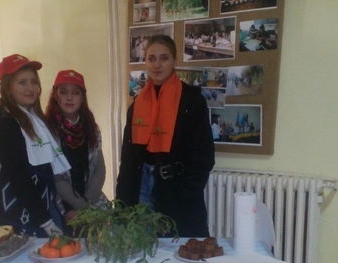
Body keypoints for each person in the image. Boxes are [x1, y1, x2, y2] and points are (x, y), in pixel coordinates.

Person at [116, 35, 215, 237]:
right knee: (142, 244)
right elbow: (128, 158)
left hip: (177, 190)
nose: (157, 65)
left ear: (174, 61)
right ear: (145, 62)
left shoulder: (192, 101)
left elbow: (204, 154)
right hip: (141, 186)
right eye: (151, 58)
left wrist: (189, 190)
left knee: (178, 246)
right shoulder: (137, 104)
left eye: (164, 58)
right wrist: (121, 201)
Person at [0, 54, 70, 237]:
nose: (31, 88)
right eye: (22, 82)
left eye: (33, 81)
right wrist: (46, 221)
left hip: (42, 210)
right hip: (16, 218)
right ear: (7, 87)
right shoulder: (3, 123)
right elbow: (18, 176)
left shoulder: (34, 119)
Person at [45, 69, 107, 220]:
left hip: (91, 202)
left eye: (76, 93)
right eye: (63, 92)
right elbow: (56, 177)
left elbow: (99, 170)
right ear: (55, 96)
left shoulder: (91, 128)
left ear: (82, 97)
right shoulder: (47, 130)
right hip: (61, 205)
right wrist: (79, 208)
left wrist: (86, 207)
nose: (69, 97)